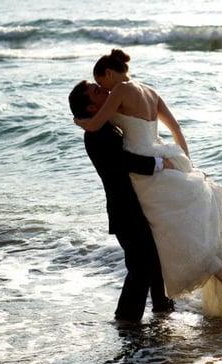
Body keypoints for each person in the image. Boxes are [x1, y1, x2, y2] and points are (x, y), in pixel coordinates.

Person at [73, 49, 222, 324]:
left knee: (169, 240)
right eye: (96, 91)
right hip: (153, 167)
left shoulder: (116, 99)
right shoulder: (147, 92)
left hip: (150, 173)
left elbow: (96, 124)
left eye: (100, 84)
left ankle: (153, 312)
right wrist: (185, 164)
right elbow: (176, 131)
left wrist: (82, 122)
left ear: (109, 73)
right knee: (164, 245)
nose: (103, 91)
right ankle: (141, 317)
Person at [68, 80, 174, 322]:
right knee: (141, 268)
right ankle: (127, 322)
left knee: (154, 262)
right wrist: (158, 164)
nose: (106, 91)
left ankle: (163, 314)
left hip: (137, 206)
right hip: (125, 211)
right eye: (97, 91)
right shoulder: (96, 134)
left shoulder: (107, 124)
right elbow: (122, 161)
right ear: (92, 108)